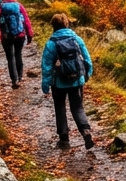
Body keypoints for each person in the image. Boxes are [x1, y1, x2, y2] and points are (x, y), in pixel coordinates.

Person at [41, 14, 95, 149]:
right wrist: (87, 74)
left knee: (60, 108)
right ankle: (86, 132)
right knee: (77, 108)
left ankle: (64, 139)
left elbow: (46, 66)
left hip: (58, 82)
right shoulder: (77, 39)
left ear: (53, 26)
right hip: (77, 80)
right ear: (67, 24)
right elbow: (87, 59)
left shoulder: (51, 43)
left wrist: (45, 84)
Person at [0, 0, 33, 89]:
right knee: (18, 54)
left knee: (10, 57)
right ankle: (19, 76)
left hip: (6, 36)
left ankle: (14, 80)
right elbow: (26, 21)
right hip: (20, 35)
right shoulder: (19, 6)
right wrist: (30, 34)